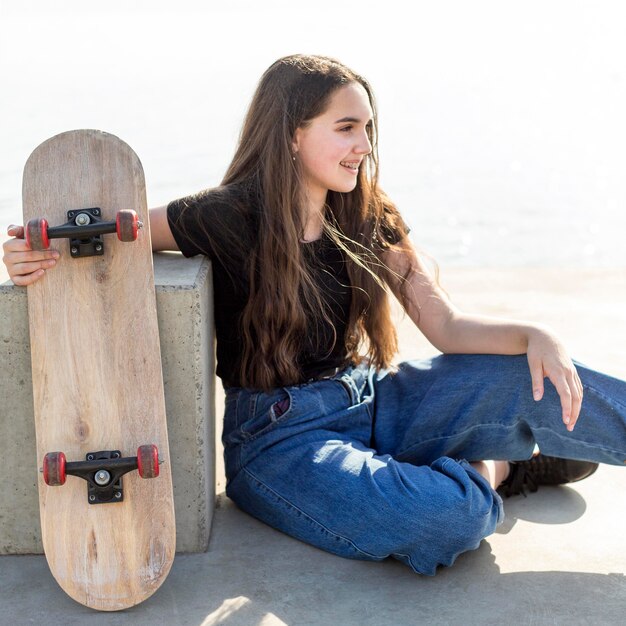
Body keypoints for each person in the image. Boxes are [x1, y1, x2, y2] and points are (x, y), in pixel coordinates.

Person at [3, 55, 625, 575]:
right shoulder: (225, 215)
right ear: (292, 133)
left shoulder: (365, 211)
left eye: (368, 129)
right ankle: (501, 465)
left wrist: (535, 335)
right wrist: (30, 251)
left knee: (526, 373)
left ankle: (475, 455)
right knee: (444, 518)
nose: (364, 146)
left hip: (376, 401)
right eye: (347, 127)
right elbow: (109, 231)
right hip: (279, 443)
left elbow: (447, 327)